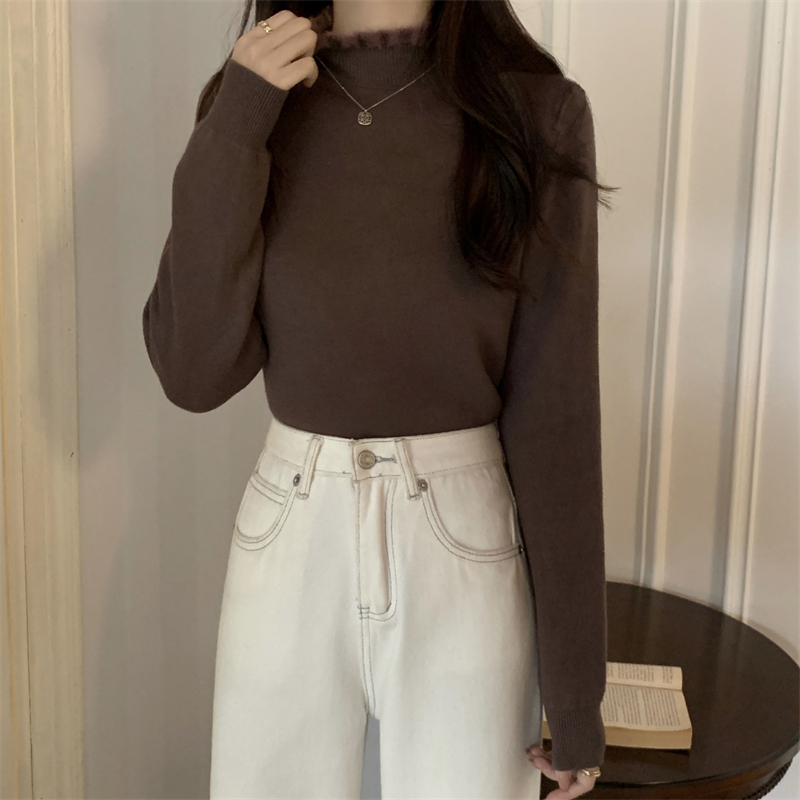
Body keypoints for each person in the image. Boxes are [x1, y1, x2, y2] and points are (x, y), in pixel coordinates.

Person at [142, 1, 616, 797]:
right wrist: (237, 121)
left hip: (463, 543)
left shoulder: (534, 111)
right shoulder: (257, 98)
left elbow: (555, 413)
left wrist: (575, 697)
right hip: (291, 532)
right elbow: (193, 373)